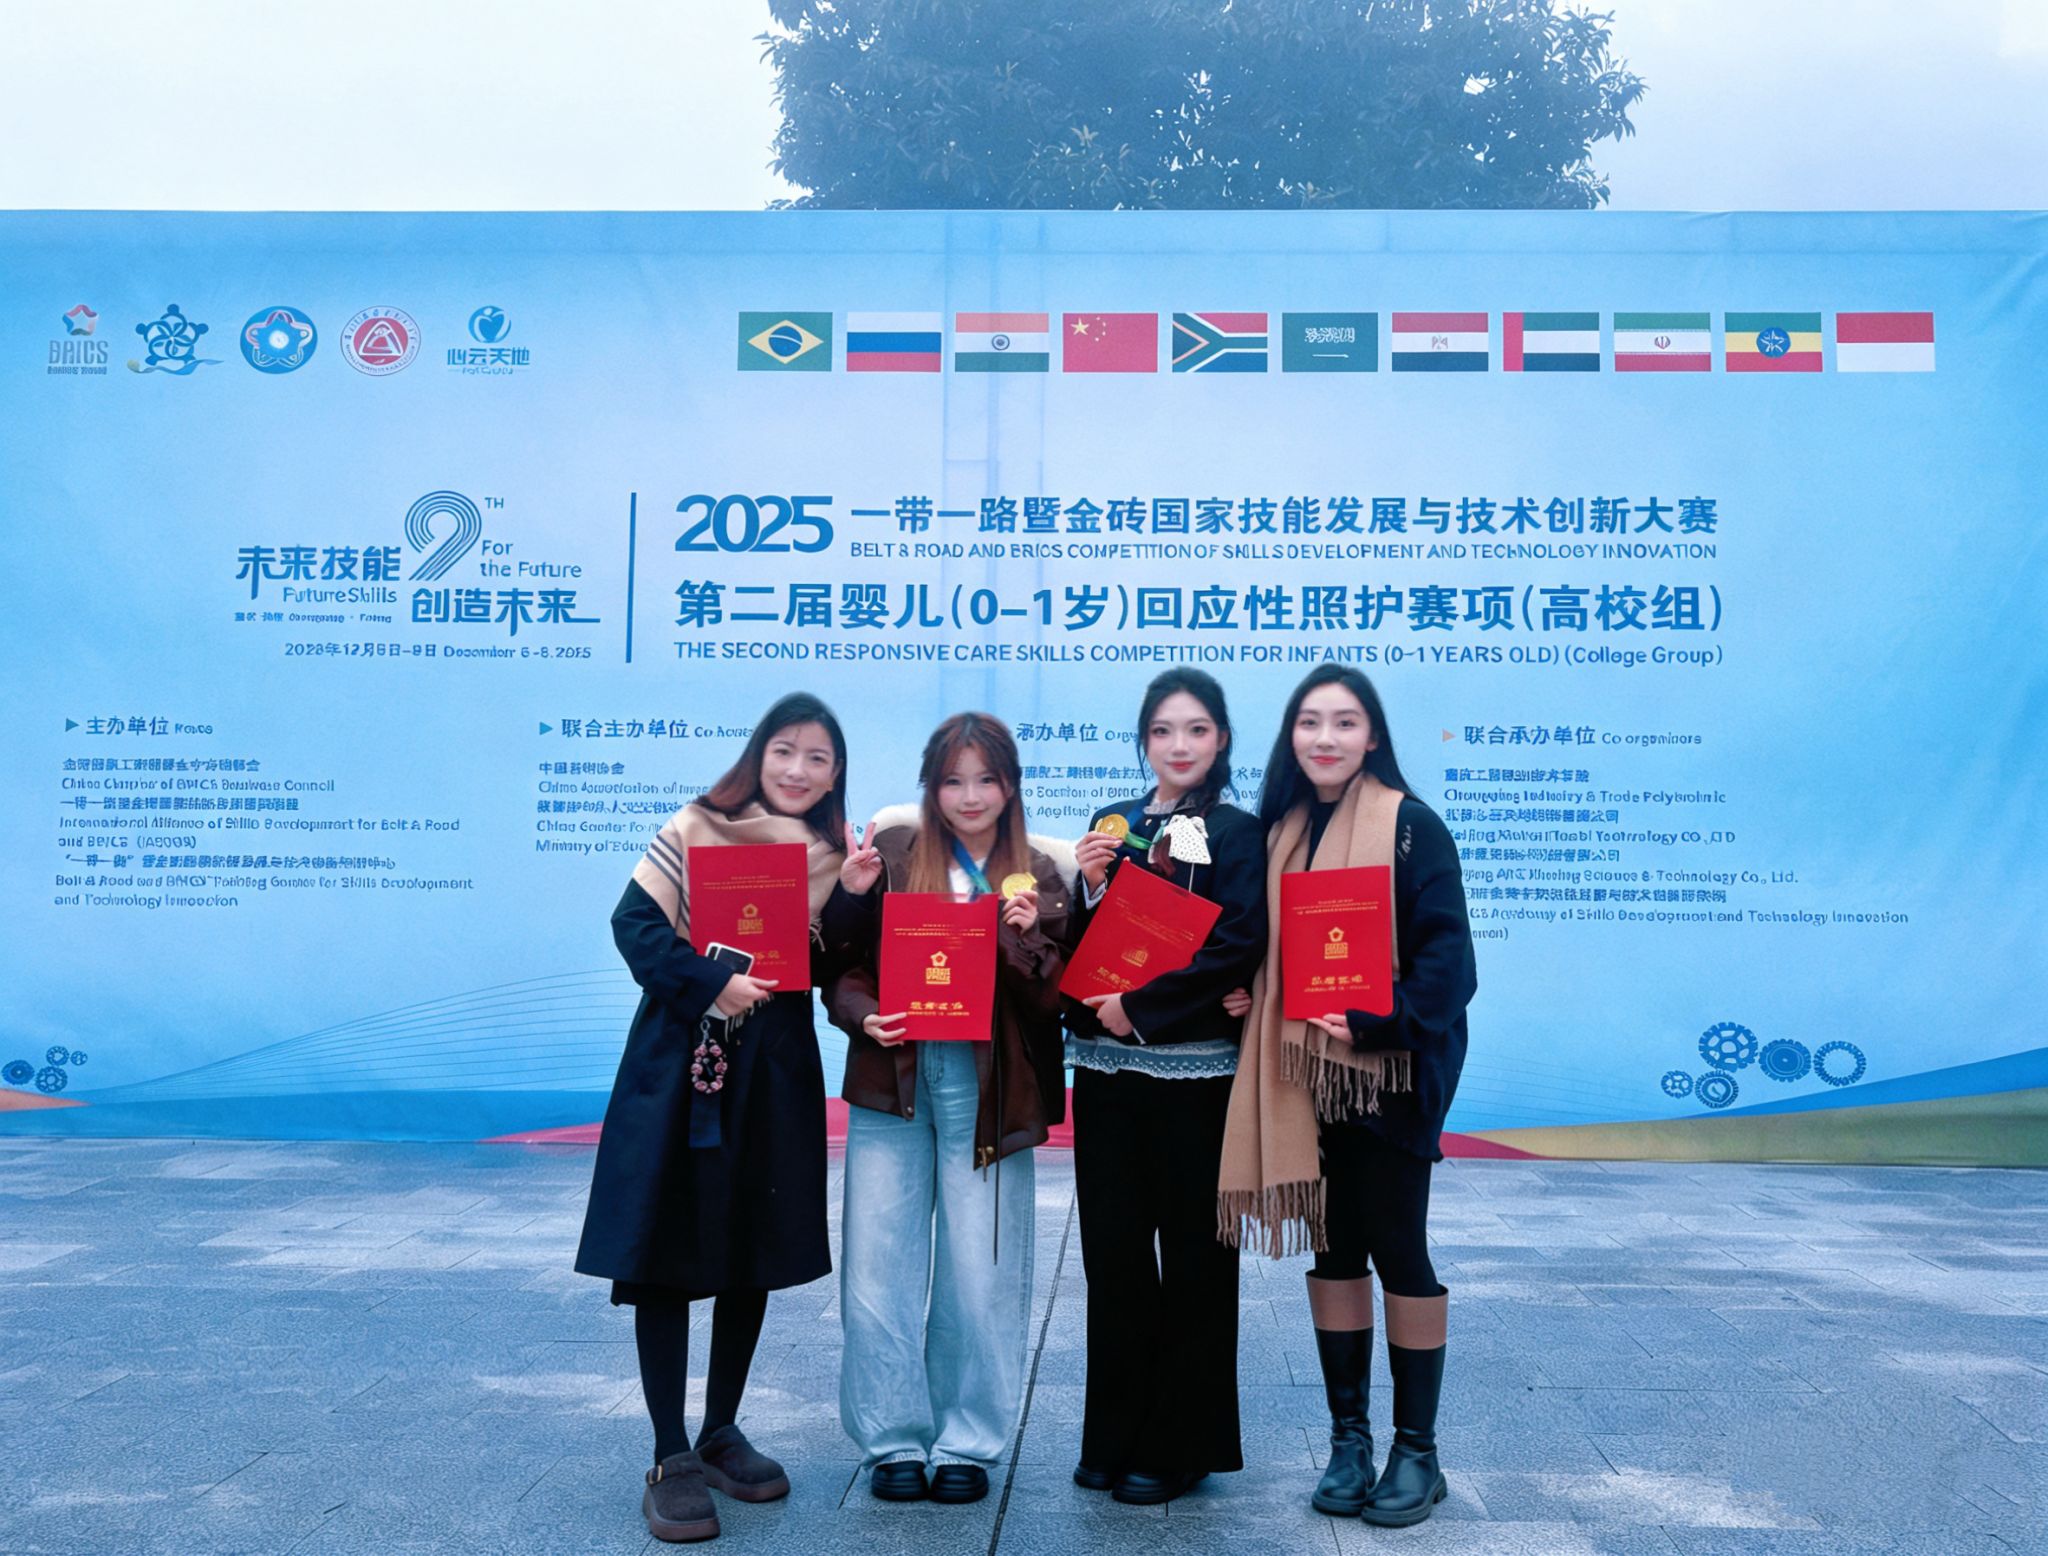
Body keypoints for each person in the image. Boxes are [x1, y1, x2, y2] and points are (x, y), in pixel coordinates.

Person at [574, 693, 879, 1544]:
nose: (798, 769)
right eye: (785, 750)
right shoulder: (698, 826)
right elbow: (635, 927)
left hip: (774, 1067)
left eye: (818, 758)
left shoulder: (832, 852)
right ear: (758, 754)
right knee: (668, 1250)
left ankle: (719, 1431)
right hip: (681, 1056)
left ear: (835, 774)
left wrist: (855, 897)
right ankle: (669, 1453)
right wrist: (713, 983)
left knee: (752, 1245)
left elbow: (829, 964)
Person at [1216, 662, 1477, 1527]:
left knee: (1399, 1250)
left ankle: (1417, 1453)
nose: (1324, 738)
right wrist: (1247, 992)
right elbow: (1260, 944)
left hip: (1389, 1077)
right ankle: (1349, 1443)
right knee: (1332, 1255)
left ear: (1372, 737)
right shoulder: (1278, 831)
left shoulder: (1411, 828)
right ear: (1290, 736)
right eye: (1309, 722)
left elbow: (1451, 965)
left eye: (1344, 722)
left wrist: (1374, 1022)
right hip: (1301, 1080)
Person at [823, 712, 1072, 1506]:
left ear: (1011, 786)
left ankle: (967, 1442)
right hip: (893, 1076)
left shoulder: (1040, 872)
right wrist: (864, 1009)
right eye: (953, 780)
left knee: (982, 1268)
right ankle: (893, 1439)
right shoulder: (893, 856)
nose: (970, 796)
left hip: (990, 1087)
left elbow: (1055, 1001)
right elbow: (839, 965)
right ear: (931, 786)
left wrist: (1026, 937)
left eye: (986, 780)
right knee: (878, 1262)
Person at [1061, 668, 1266, 1504]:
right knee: (1112, 1259)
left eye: (1196, 730)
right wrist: (1087, 887)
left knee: (1195, 1259)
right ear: (1144, 740)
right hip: (1104, 1074)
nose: (1178, 746)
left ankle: (1182, 1446)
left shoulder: (1240, 833)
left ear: (1221, 739)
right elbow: (1081, 944)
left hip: (1194, 1076)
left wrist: (1139, 1009)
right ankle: (1114, 1436)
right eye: (1162, 731)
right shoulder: (1114, 824)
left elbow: (1238, 943)